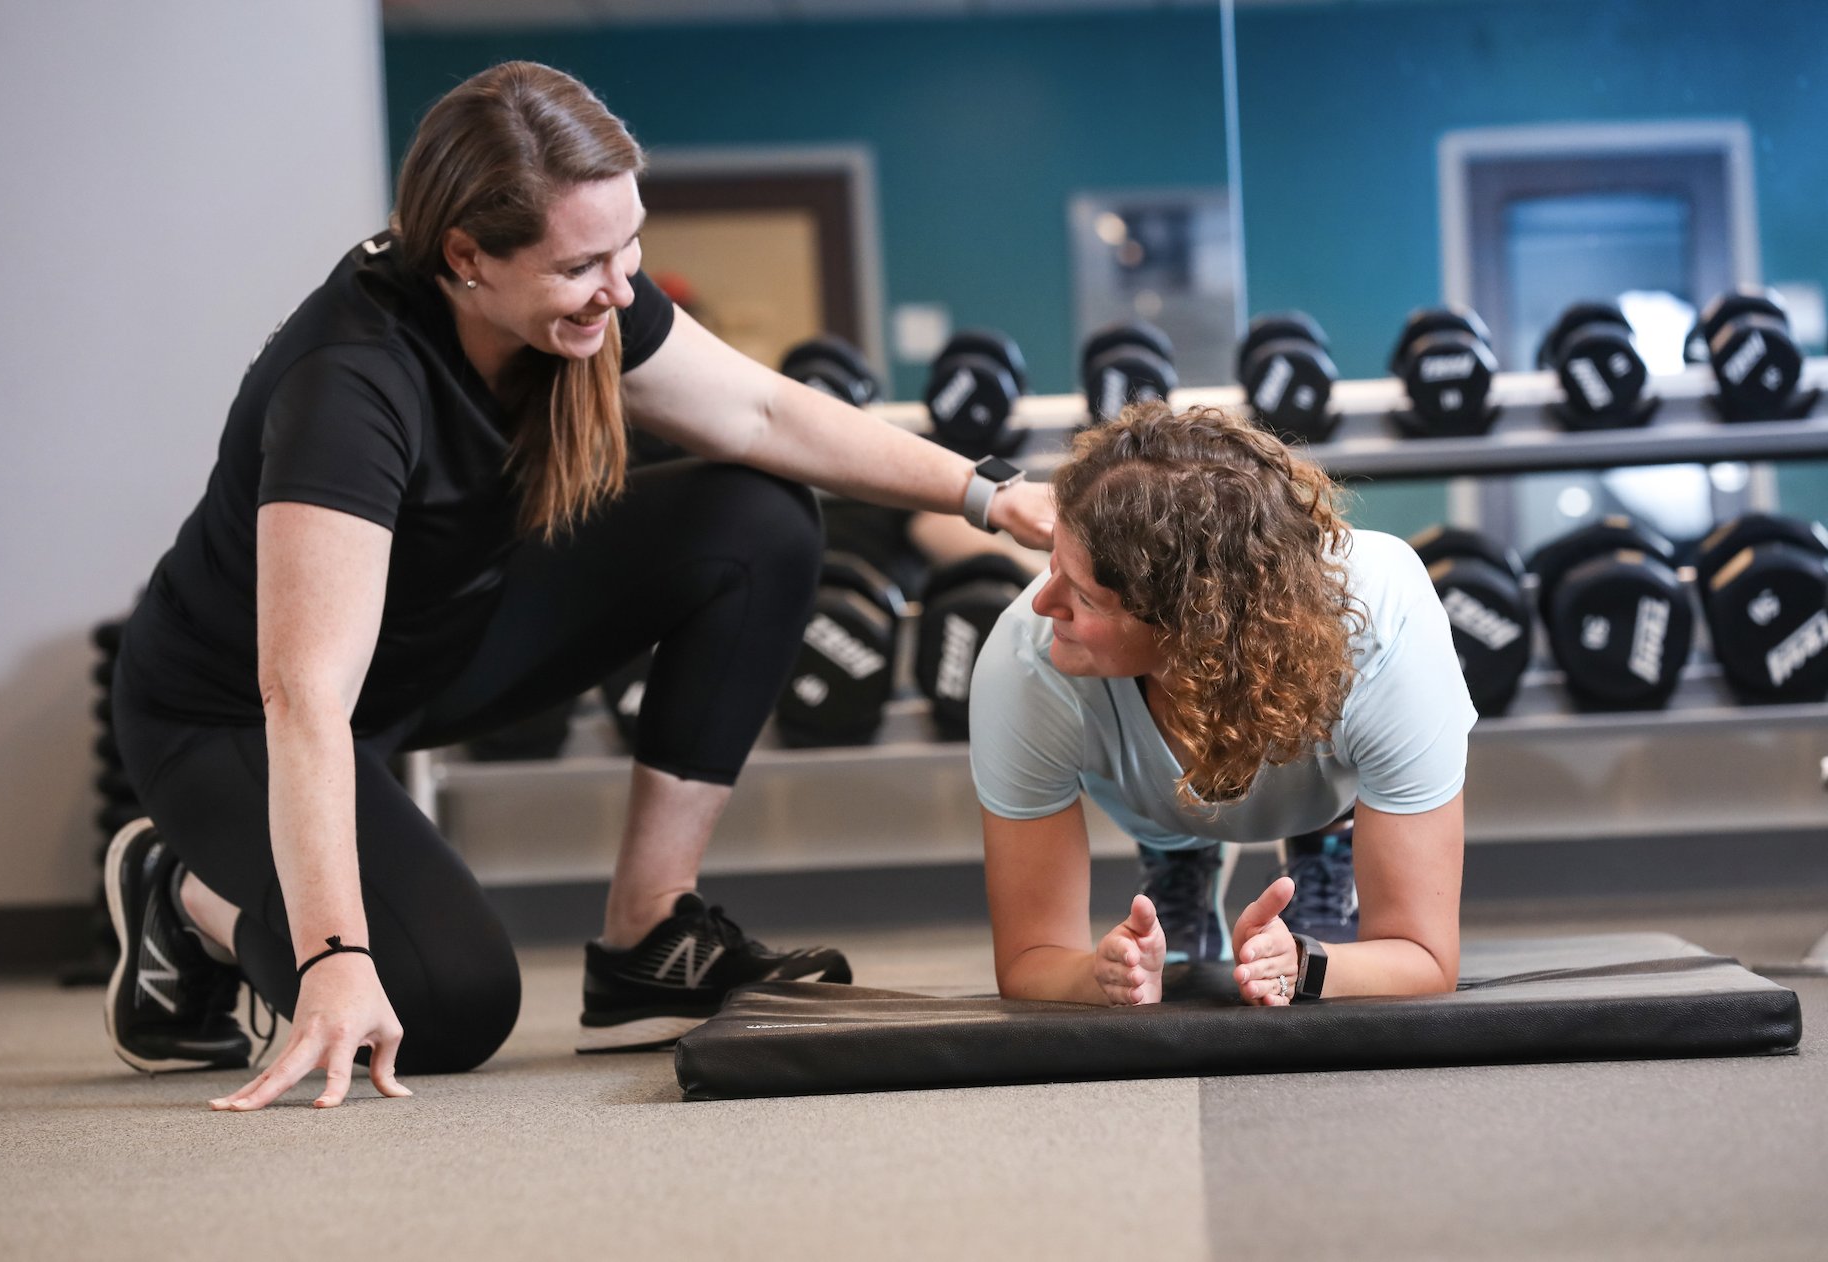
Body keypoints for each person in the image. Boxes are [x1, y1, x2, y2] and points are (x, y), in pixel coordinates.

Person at [103, 60, 1052, 1109]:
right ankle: (184, 897)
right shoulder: (350, 381)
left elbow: (764, 415)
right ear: (467, 255)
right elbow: (303, 693)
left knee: (759, 519)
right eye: (581, 264)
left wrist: (991, 495)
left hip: (431, 649)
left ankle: (649, 939)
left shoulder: (581, 306)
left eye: (628, 244)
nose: (621, 287)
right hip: (235, 717)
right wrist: (330, 955)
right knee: (443, 1004)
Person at [968, 402, 1470, 1008]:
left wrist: (1305, 965)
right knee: (1157, 790)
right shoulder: (1027, 660)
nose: (1043, 603)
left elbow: (1425, 956)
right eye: (1053, 565)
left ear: (1192, 625)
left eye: (1085, 597)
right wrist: (1100, 977)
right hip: (1146, 788)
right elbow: (1029, 960)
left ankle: (1328, 842)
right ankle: (1177, 851)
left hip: (1328, 782)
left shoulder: (1386, 634)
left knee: (1325, 818)